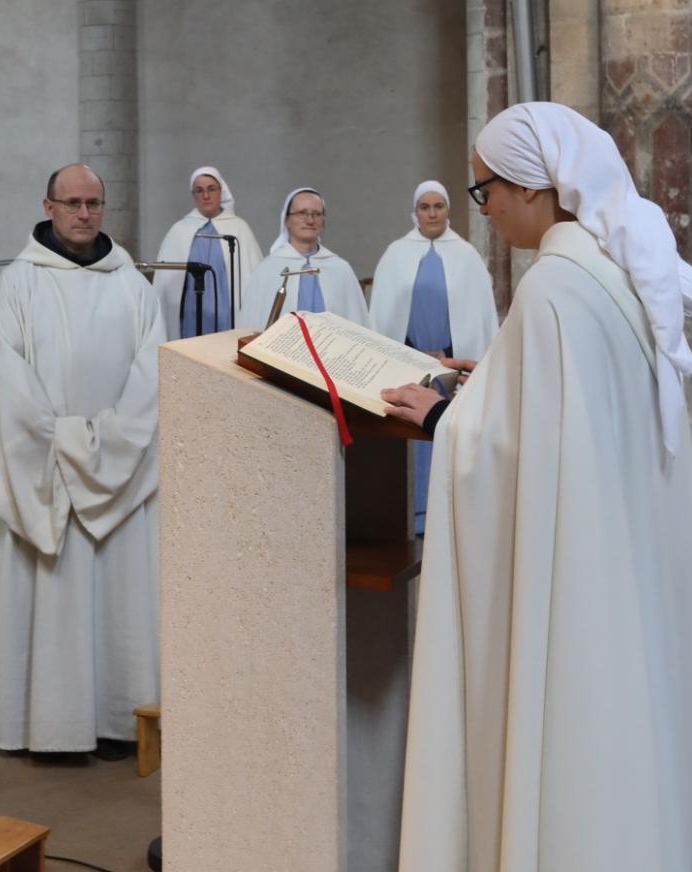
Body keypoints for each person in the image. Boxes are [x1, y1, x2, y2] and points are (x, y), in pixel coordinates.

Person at [383, 103, 692, 871]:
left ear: (529, 187)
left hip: (581, 580)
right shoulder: (614, 259)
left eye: (483, 193)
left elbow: (515, 455)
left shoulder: (553, 285)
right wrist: (496, 379)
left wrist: (445, 417)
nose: (483, 213)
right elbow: (582, 411)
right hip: (624, 559)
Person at [0, 163, 163, 758]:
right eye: (73, 203)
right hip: (47, 473)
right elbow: (8, 387)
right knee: (51, 598)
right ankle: (48, 726)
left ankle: (118, 717)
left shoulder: (132, 284)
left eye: (94, 203)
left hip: (117, 474)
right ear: (48, 206)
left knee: (119, 602)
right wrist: (77, 446)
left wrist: (105, 444)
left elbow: (154, 380)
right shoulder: (19, 284)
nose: (85, 214)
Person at [369, 180, 498, 532]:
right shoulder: (396, 254)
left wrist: (451, 356)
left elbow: (480, 319)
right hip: (407, 367)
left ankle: (451, 519)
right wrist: (410, 352)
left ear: (448, 211)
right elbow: (382, 319)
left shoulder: (467, 256)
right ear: (415, 211)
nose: (431, 213)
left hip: (453, 373)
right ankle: (412, 516)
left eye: (438, 206)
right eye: (425, 207)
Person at [153, 165, 262, 339]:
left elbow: (254, 279)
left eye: (211, 189)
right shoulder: (179, 230)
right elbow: (165, 284)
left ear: (221, 190)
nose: (206, 195)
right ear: (193, 195)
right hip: (189, 314)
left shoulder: (240, 228)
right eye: (199, 190)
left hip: (228, 316)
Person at [238, 186, 368, 329]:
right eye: (302, 213)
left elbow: (356, 326)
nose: (310, 220)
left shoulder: (341, 269)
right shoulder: (267, 270)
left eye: (317, 214)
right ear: (286, 220)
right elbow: (251, 327)